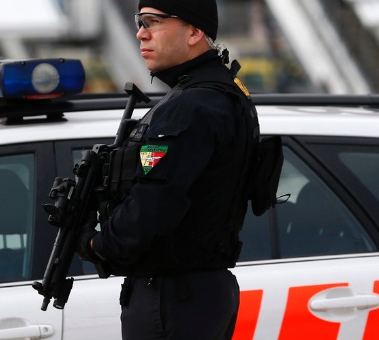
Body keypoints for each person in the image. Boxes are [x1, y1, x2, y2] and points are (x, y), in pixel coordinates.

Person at [77, 0, 259, 339]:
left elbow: (156, 200)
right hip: (196, 290)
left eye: (152, 22)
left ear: (194, 31)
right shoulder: (223, 93)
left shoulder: (192, 104)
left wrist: (97, 245)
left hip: (172, 296)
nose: (140, 34)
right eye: (139, 22)